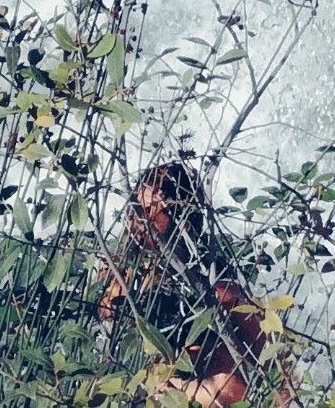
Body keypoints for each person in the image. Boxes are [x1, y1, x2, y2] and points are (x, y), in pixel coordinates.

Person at [102, 161, 268, 407]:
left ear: (183, 223)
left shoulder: (218, 287)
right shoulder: (118, 280)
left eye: (149, 212)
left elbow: (272, 355)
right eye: (135, 209)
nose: (135, 220)